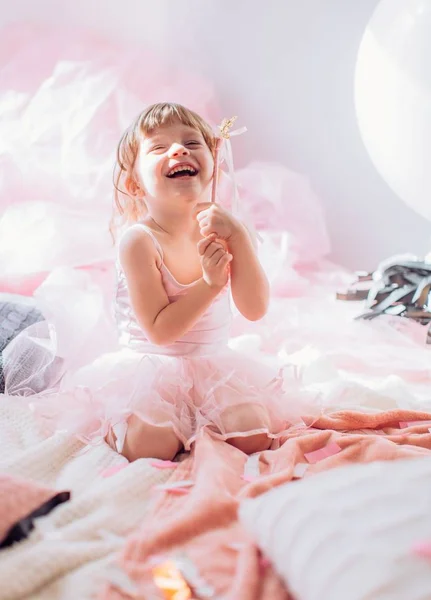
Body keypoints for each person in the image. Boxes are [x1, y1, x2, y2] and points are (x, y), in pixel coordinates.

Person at [4, 102, 306, 461]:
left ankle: (200, 426)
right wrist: (209, 285)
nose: (179, 150)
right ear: (135, 183)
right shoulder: (139, 241)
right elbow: (161, 332)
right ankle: (136, 429)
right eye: (160, 148)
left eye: (193, 144)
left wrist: (238, 238)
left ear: (214, 168)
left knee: (254, 434)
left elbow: (254, 310)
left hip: (214, 365)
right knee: (152, 445)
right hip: (151, 368)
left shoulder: (226, 229)